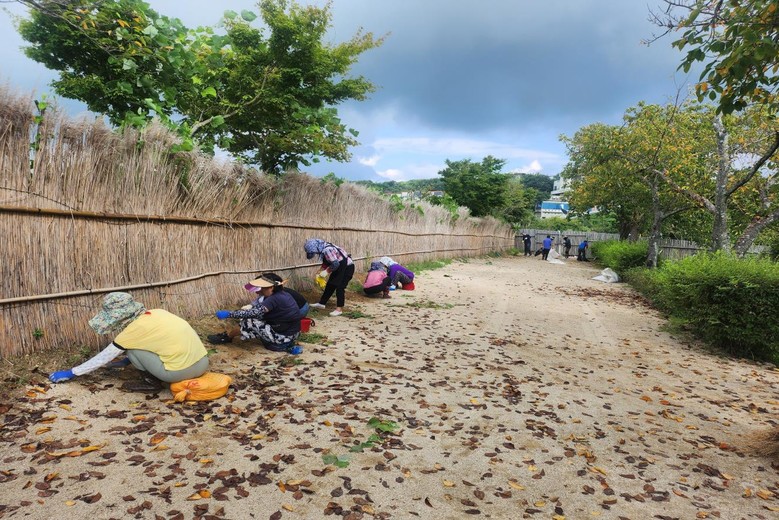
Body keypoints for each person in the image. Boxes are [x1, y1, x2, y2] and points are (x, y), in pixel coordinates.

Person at [49, 292, 209, 391]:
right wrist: (126, 362)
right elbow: (161, 342)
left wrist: (71, 373)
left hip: (179, 373)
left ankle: (152, 384)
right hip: (203, 363)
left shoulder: (131, 332)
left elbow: (103, 358)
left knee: (132, 350)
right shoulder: (157, 312)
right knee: (135, 349)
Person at [208, 274, 303, 353]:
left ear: (271, 287)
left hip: (282, 339)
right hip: (292, 335)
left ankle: (227, 337)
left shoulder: (274, 299)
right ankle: (288, 345)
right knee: (258, 320)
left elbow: (252, 313)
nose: (259, 291)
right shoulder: (284, 294)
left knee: (249, 321)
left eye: (262, 288)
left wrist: (229, 314)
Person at [304, 238, 355, 317]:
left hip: (347, 268)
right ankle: (322, 303)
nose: (315, 254)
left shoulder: (327, 249)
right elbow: (326, 262)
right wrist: (319, 272)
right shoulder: (324, 247)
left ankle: (339, 309)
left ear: (316, 248)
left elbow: (335, 264)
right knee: (330, 284)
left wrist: (326, 272)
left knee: (340, 287)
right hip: (340, 267)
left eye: (314, 252)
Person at [244, 272, 309, 317]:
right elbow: (259, 300)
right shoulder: (270, 291)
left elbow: (260, 310)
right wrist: (250, 305)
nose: (257, 291)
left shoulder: (277, 296)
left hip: (302, 308)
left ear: (270, 287)